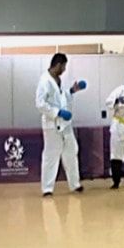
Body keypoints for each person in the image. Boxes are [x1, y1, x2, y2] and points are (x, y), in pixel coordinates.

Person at [35, 53, 85, 197]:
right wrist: (57, 112)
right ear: (58, 65)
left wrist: (72, 91)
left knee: (71, 151)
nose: (64, 69)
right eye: (63, 66)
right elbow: (40, 104)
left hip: (65, 124)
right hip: (52, 124)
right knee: (51, 155)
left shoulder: (58, 80)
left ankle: (75, 184)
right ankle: (47, 188)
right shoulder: (44, 81)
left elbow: (61, 98)